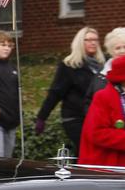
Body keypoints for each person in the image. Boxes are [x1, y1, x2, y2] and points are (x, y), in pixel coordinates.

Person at [34, 27, 104, 155]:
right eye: (88, 40)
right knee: (86, 149)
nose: (93, 43)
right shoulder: (69, 65)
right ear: (80, 43)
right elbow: (55, 93)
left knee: (93, 153)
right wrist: (42, 118)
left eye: (95, 40)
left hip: (95, 117)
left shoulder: (102, 66)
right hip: (75, 118)